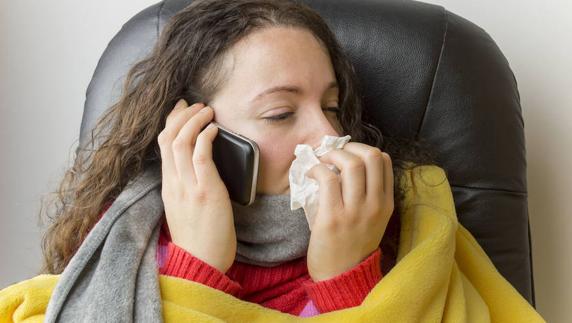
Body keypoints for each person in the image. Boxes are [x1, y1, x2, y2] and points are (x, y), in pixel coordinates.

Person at [0, 0, 545, 321]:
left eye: (333, 106)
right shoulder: (122, 245)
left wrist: (344, 278)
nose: (329, 132)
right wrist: (196, 268)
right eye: (281, 113)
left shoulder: (407, 226)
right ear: (200, 134)